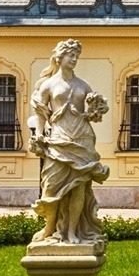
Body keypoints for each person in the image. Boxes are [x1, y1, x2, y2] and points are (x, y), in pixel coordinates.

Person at [29, 39, 110, 245]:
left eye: (76, 56)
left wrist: (95, 111)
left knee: (78, 188)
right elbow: (40, 114)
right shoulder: (48, 84)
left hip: (83, 139)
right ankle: (49, 228)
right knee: (51, 186)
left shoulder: (83, 85)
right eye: (70, 55)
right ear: (59, 57)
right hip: (58, 138)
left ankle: (73, 231)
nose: (74, 59)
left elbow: (89, 114)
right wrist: (38, 134)